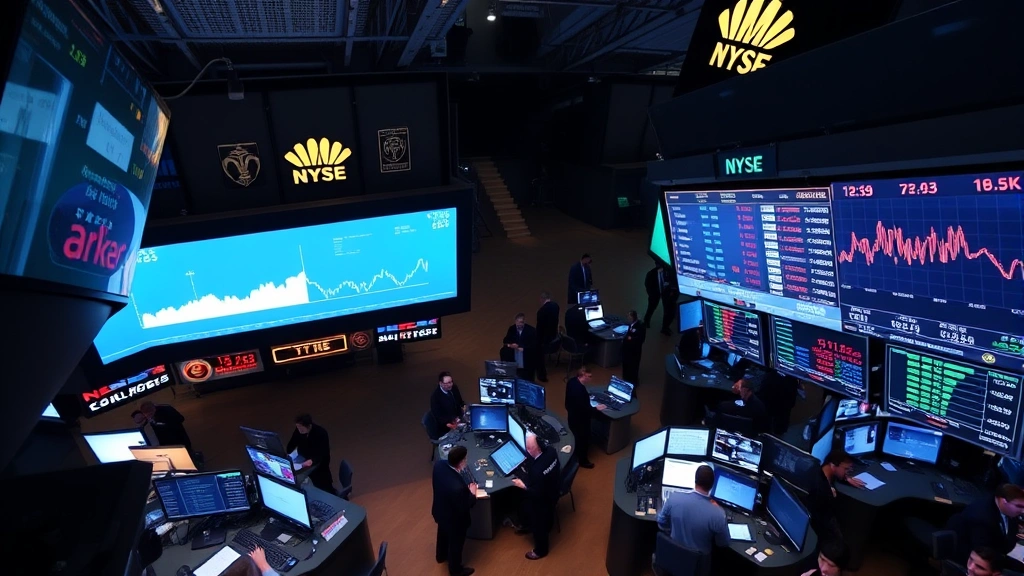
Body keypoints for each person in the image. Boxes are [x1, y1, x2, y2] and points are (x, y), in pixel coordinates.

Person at [656, 465, 729, 555]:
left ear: (695, 480)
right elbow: (723, 543)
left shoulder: (674, 498)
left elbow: (661, 523)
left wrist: (675, 529)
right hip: (698, 563)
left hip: (673, 554)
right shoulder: (718, 513)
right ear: (712, 485)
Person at [511, 433, 562, 559]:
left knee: (538, 523)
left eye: (529, 449)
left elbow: (535, 493)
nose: (527, 451)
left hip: (541, 500)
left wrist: (523, 485)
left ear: (538, 448)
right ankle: (548, 526)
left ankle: (540, 551)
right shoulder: (551, 451)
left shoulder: (537, 471)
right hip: (554, 491)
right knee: (548, 513)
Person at [947, 484, 1024, 561]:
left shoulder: (1010, 511)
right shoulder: (981, 518)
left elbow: (1010, 538)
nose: (1023, 511)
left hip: (997, 554)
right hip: (974, 560)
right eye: (1019, 506)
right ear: (1004, 501)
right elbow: (983, 555)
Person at [432, 445, 477, 576]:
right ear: (461, 461)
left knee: (442, 534)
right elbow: (466, 505)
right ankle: (456, 570)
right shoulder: (458, 488)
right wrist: (472, 493)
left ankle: (440, 556)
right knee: (456, 544)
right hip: (455, 521)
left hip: (440, 511)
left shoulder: (439, 465)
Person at [807, 450, 866, 543]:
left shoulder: (824, 468)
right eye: (846, 469)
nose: (848, 472)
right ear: (834, 464)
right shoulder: (822, 489)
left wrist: (845, 477)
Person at [564, 366, 604, 469]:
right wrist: (596, 409)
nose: (591, 378)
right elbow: (585, 409)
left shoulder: (572, 382)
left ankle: (575, 454)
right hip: (580, 420)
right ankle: (583, 461)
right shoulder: (580, 391)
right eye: (589, 376)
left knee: (576, 437)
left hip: (572, 416)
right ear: (582, 376)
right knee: (583, 439)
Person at [286, 414, 334, 493]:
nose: (299, 430)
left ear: (308, 426)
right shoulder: (298, 430)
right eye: (298, 427)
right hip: (303, 456)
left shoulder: (321, 433)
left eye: (301, 428)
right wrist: (288, 453)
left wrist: (311, 461)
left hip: (316, 459)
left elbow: (323, 453)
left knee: (298, 478)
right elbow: (292, 442)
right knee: (289, 470)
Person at [502, 312, 538, 381]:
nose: (519, 324)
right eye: (517, 322)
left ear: (524, 322)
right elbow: (506, 340)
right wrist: (510, 345)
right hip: (514, 353)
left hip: (526, 355)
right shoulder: (512, 329)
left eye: (521, 322)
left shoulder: (531, 330)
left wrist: (524, 348)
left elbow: (534, 345)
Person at [431, 371, 466, 436]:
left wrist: (464, 408)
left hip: (458, 419)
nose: (450, 384)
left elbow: (460, 402)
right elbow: (439, 418)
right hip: (446, 426)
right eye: (448, 383)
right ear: (440, 383)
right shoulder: (435, 397)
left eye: (451, 382)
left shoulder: (454, 388)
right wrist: (452, 426)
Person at [535, 292, 560, 383]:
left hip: (545, 339)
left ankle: (541, 375)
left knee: (536, 349)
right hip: (554, 335)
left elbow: (540, 329)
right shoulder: (556, 306)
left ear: (542, 299)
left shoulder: (541, 312)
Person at [620, 310, 646, 387]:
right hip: (627, 350)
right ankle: (625, 379)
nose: (627, 318)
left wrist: (631, 338)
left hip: (634, 351)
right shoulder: (630, 325)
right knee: (626, 365)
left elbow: (641, 339)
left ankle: (633, 382)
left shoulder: (640, 326)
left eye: (629, 316)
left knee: (633, 366)